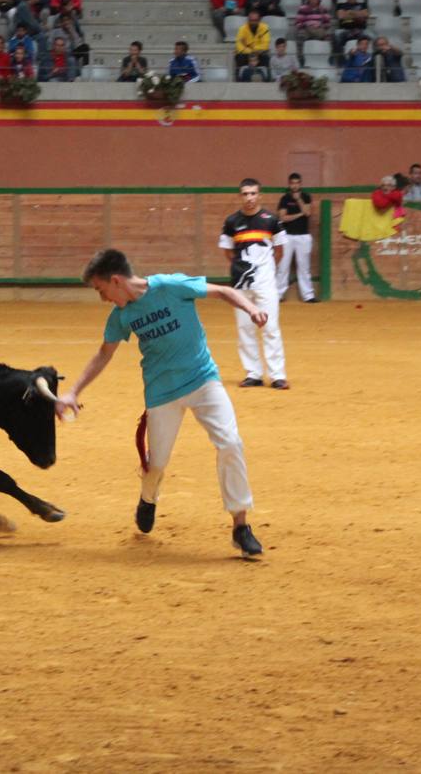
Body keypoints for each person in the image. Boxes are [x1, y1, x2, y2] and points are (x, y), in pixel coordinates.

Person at [56, 248, 267, 557]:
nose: (103, 298)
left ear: (116, 281)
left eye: (101, 290)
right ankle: (148, 497)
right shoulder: (121, 316)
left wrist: (250, 308)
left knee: (231, 443)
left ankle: (240, 526)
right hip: (161, 394)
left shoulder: (170, 286)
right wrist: (74, 391)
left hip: (203, 380)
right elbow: (104, 353)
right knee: (156, 464)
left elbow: (222, 291)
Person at [220, 179, 289, 390]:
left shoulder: (272, 220)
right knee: (245, 328)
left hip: (266, 283)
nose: (249, 197)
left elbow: (279, 251)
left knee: (270, 327)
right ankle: (253, 373)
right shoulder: (231, 222)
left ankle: (277, 375)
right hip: (241, 284)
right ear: (240, 196)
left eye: (253, 193)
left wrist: (265, 270)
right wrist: (242, 269)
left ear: (259, 195)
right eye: (245, 194)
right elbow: (227, 251)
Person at [276, 172, 316, 303]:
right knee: (283, 266)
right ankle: (278, 295)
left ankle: (308, 296)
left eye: (297, 183)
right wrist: (300, 214)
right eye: (292, 183)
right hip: (286, 236)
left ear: (300, 184)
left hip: (303, 236)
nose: (294, 185)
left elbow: (308, 212)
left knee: (304, 267)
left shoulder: (305, 196)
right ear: (289, 184)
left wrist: (299, 200)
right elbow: (282, 218)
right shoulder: (285, 198)